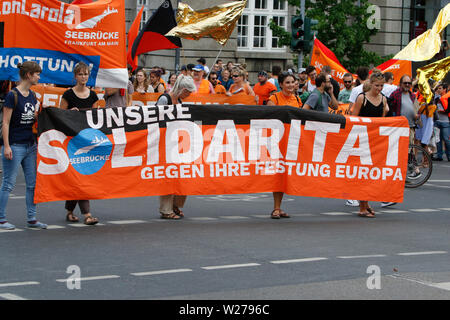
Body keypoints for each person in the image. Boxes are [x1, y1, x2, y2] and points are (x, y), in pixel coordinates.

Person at [0, 61, 47, 230]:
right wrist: (6, 146)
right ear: (29, 75)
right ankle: (1, 219)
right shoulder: (12, 95)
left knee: (32, 183)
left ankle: (32, 218)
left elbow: (33, 118)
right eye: (37, 74)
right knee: (8, 183)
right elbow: (5, 123)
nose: (39, 77)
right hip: (15, 144)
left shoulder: (32, 95)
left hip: (30, 145)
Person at [60, 62, 100, 225]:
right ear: (75, 76)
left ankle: (70, 211)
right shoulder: (68, 95)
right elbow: (60, 115)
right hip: (72, 141)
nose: (83, 77)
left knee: (81, 176)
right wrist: (70, 114)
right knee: (81, 176)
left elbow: (97, 119)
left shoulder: (93, 95)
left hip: (88, 139)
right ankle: (87, 214)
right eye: (80, 74)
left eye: (86, 74)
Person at [155, 75, 197, 219]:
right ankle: (166, 210)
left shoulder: (179, 101)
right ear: (183, 90)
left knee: (183, 176)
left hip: (178, 144)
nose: (189, 95)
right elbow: (155, 119)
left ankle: (176, 205)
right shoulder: (164, 99)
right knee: (168, 176)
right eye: (188, 92)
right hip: (164, 143)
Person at [351, 72, 389, 218]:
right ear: (371, 84)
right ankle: (362, 206)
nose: (379, 88)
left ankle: (366, 204)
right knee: (362, 174)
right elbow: (353, 119)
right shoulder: (362, 97)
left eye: (381, 86)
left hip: (374, 140)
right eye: (377, 85)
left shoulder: (384, 99)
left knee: (370, 173)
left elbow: (382, 121)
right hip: (360, 140)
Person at [266, 72, 302, 219]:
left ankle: (279, 207)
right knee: (278, 174)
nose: (290, 85)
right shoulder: (273, 99)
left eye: (292, 82)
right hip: (277, 142)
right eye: (287, 82)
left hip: (292, 142)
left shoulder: (298, 100)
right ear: (280, 84)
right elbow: (268, 120)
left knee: (287, 174)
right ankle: (276, 208)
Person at [433, 83, 450, 161]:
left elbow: (448, 110)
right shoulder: (436, 98)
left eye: (440, 88)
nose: (438, 90)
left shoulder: (447, 98)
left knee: (446, 140)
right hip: (437, 121)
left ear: (444, 89)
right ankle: (439, 156)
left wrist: (442, 111)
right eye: (438, 88)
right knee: (438, 140)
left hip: (446, 122)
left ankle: (449, 156)